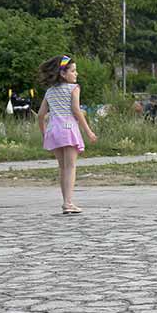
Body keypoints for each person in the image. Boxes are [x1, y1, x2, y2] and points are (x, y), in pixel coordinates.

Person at [36, 55, 97, 215]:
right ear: (63, 74)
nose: (76, 74)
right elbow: (76, 110)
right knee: (70, 167)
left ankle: (66, 202)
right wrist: (88, 131)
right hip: (68, 129)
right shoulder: (74, 88)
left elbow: (41, 115)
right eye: (73, 71)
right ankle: (68, 203)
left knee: (62, 168)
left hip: (53, 131)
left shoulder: (49, 91)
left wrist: (44, 133)